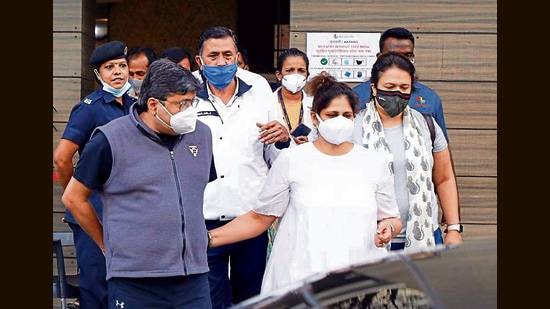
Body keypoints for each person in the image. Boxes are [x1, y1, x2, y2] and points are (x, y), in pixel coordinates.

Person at [208, 73, 402, 295]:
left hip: (359, 278)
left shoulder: (373, 162)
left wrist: (388, 228)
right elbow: (259, 217)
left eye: (346, 115)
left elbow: (391, 218)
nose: (340, 120)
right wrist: (207, 240)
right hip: (300, 278)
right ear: (315, 116)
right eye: (332, 114)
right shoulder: (292, 159)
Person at [61, 58, 217, 308]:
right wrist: (105, 243)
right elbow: (73, 197)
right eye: (182, 104)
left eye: (192, 102)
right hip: (135, 280)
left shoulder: (202, 135)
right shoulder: (110, 139)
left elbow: (191, 192)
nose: (190, 111)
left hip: (193, 276)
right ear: (154, 104)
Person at [193, 26, 291, 308]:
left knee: (252, 298)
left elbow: (274, 148)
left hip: (252, 218)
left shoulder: (259, 87)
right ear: (200, 61)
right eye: (213, 56)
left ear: (237, 56)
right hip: (203, 220)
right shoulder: (186, 91)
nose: (221, 62)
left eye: (227, 55)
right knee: (209, 300)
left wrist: (283, 138)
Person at [53, 41, 136, 309]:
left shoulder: (138, 106)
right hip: (95, 212)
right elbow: (62, 158)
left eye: (122, 66)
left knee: (128, 288)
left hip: (129, 210)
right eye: (109, 67)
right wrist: (77, 200)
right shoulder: (89, 107)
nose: (118, 72)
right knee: (97, 289)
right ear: (99, 74)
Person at [353, 26, 459, 225]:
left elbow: (442, 162)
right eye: (390, 87)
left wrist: (451, 214)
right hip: (369, 228)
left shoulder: (429, 99)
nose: (398, 93)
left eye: (407, 55)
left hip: (422, 222)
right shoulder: (355, 99)